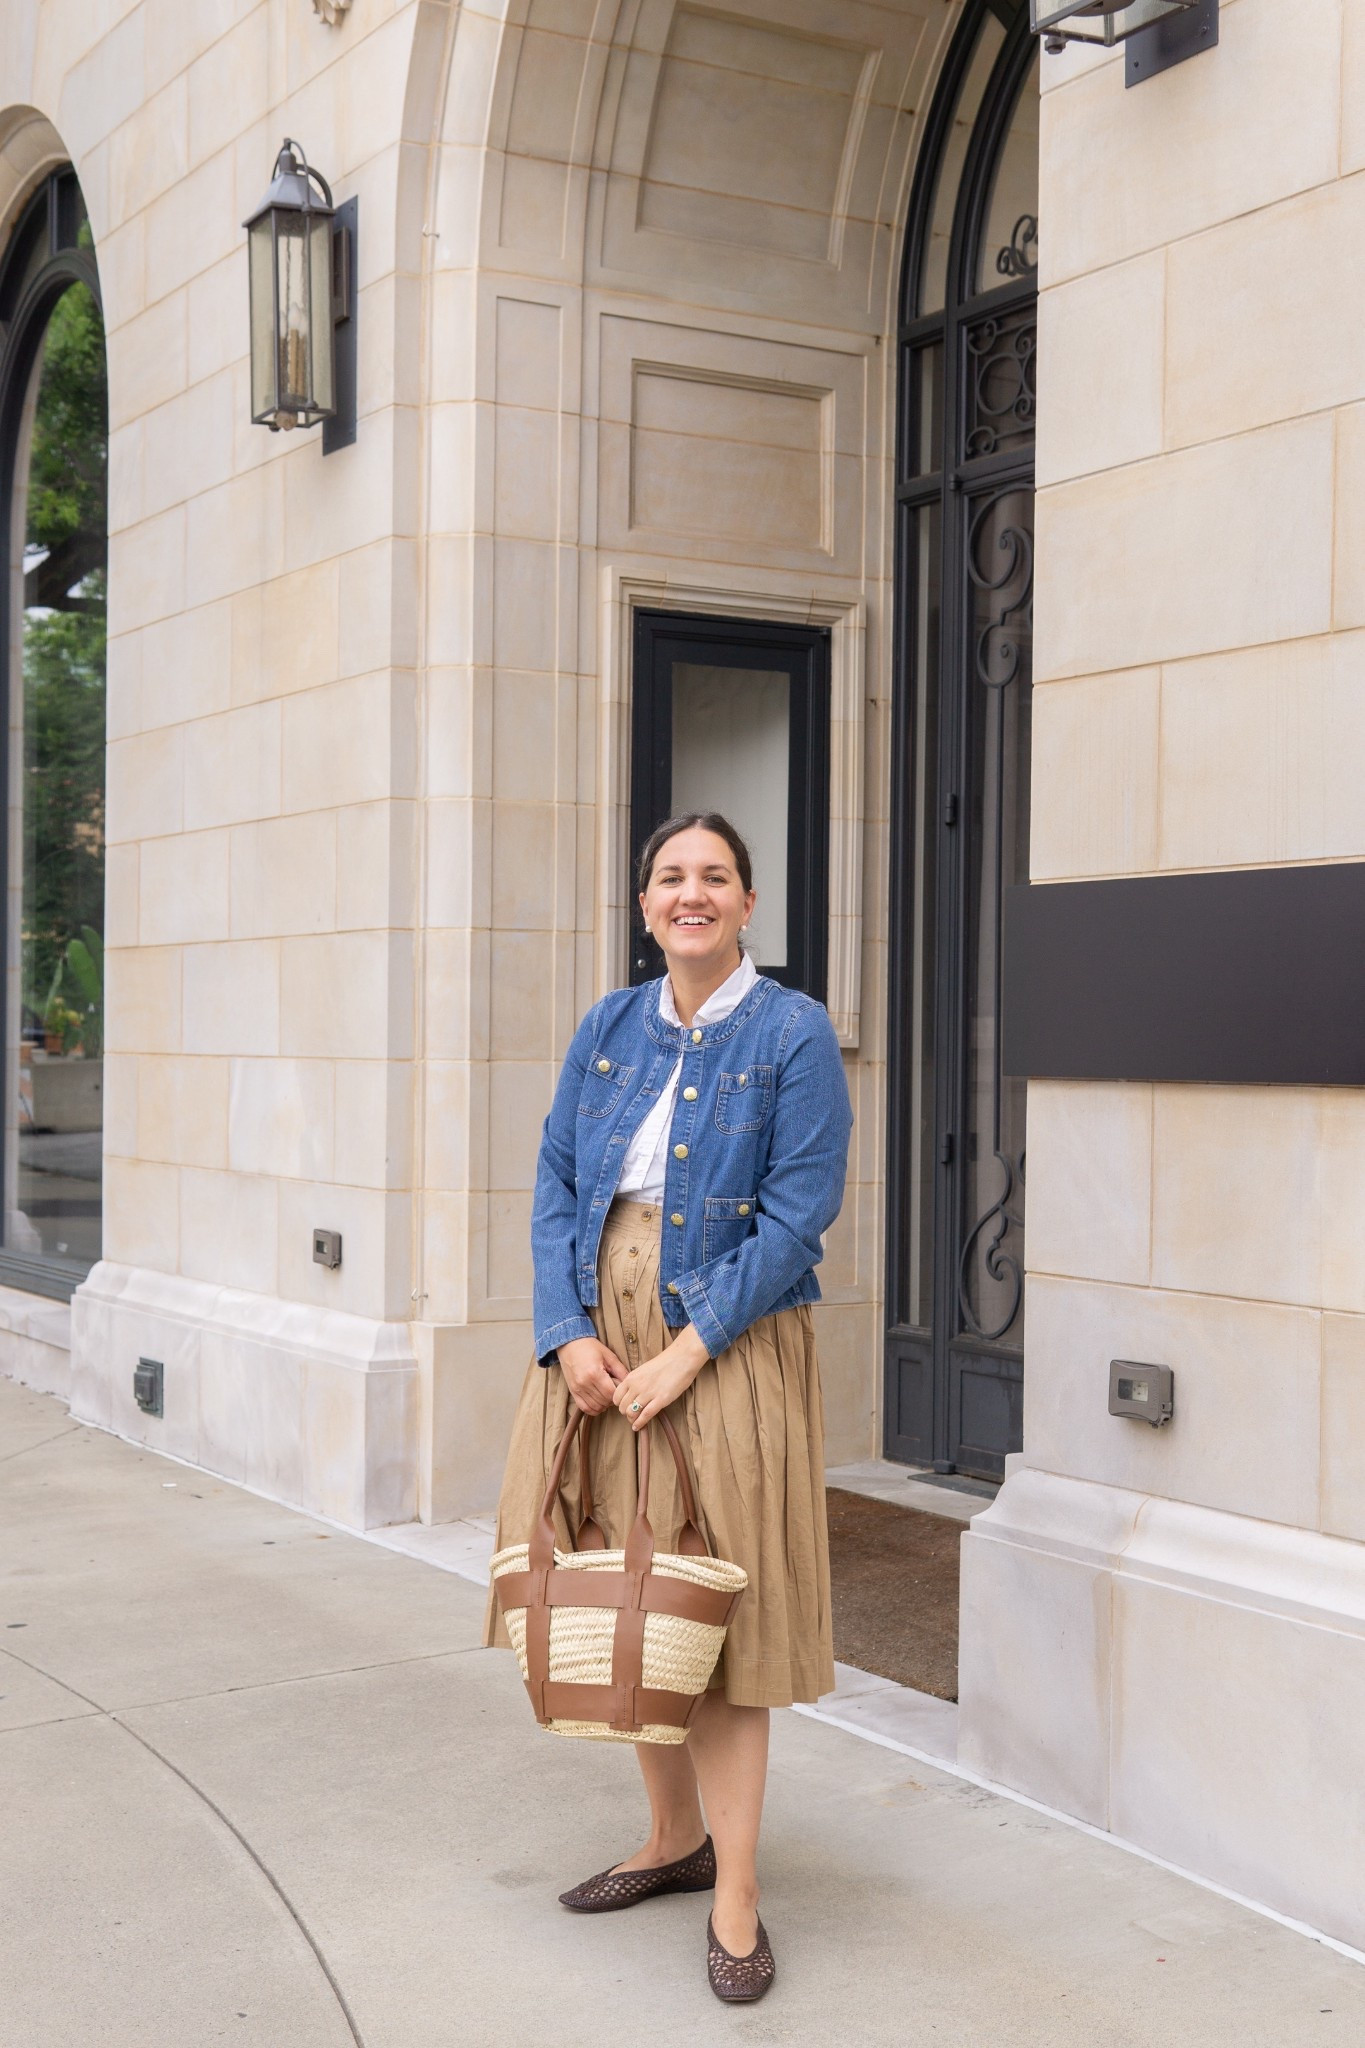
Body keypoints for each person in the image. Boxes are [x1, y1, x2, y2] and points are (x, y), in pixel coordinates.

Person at [486, 810, 853, 2003]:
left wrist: (687, 1349)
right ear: (646, 903)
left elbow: (800, 1212)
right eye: (669, 876)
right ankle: (669, 1838)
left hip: (725, 1343)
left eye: (715, 877)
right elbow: (552, 1177)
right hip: (599, 1342)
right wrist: (567, 1330)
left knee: (721, 1615)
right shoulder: (607, 1025)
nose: (690, 893)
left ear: (748, 904)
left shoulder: (794, 1032)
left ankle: (735, 1890)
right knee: (629, 1594)